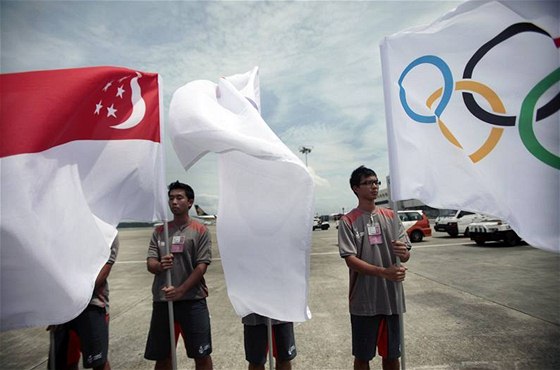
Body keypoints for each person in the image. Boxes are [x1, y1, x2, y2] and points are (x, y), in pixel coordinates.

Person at [337, 166, 411, 370]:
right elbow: (350, 259)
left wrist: (403, 252)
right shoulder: (348, 221)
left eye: (376, 182)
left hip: (391, 299)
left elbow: (406, 255)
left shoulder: (391, 216)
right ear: (355, 189)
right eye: (368, 183)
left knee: (391, 356)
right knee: (363, 357)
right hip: (364, 301)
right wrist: (383, 272)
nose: (374, 186)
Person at [144, 181, 213, 370]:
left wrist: (181, 290)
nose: (174, 202)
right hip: (163, 301)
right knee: (163, 356)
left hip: (193, 300)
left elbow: (201, 266)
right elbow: (150, 262)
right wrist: (159, 265)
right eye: (171, 198)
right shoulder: (160, 231)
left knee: (201, 354)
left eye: (179, 198)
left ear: (190, 202)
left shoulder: (200, 230)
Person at [48, 235, 120, 370]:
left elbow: (101, 275)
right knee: (63, 361)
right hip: (64, 307)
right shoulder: (66, 228)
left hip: (92, 305)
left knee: (98, 360)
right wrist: (54, 308)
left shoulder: (108, 234)